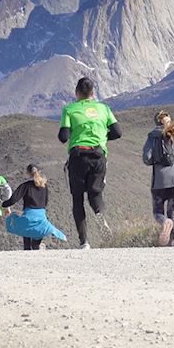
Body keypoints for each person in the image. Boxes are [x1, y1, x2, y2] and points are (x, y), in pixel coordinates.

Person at [59, 77, 121, 249]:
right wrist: (101, 137)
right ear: (93, 93)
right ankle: (100, 215)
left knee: (77, 199)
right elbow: (118, 132)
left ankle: (84, 241)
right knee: (95, 193)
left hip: (78, 156)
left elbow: (63, 137)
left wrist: (74, 133)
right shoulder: (104, 108)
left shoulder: (69, 109)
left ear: (77, 93)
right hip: (99, 155)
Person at [142, 110, 174, 247]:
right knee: (173, 212)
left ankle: (164, 222)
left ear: (156, 122)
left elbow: (146, 158)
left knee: (158, 212)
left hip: (159, 182)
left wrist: (156, 162)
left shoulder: (152, 137)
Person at [2, 164, 66, 250]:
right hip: (41, 219)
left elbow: (13, 199)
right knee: (36, 245)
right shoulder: (44, 186)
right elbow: (45, 202)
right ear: (39, 172)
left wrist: (4, 204)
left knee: (27, 243)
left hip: (28, 217)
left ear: (27, 173)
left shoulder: (25, 185)